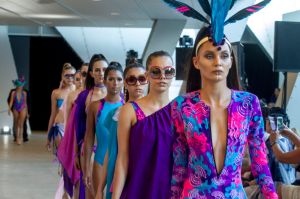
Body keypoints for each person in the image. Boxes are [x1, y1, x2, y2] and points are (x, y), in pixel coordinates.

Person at [162, 1, 277, 198]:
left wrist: (272, 196)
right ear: (196, 62)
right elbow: (179, 166)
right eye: (209, 55)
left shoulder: (248, 104)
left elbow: (260, 161)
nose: (218, 62)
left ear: (231, 61)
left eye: (224, 55)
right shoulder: (182, 106)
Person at [113, 51, 175, 199]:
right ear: (147, 76)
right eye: (155, 71)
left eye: (168, 71)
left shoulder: (179, 111)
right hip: (138, 188)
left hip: (170, 191)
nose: (162, 76)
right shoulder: (130, 110)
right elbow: (122, 158)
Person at [96, 62, 148, 199]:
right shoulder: (115, 114)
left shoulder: (155, 116)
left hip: (142, 175)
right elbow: (111, 151)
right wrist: (99, 189)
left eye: (142, 79)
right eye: (132, 79)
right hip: (116, 175)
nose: (137, 83)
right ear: (125, 83)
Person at [84, 62, 124, 198]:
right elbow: (89, 138)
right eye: (111, 79)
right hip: (100, 160)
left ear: (123, 81)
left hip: (121, 162)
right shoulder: (95, 107)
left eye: (119, 79)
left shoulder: (128, 107)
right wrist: (86, 168)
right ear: (105, 81)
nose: (115, 83)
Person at [74, 54, 108, 199]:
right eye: (97, 70)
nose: (101, 73)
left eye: (104, 69)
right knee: (91, 191)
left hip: (111, 150)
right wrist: (76, 153)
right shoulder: (84, 96)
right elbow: (78, 126)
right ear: (91, 73)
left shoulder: (118, 95)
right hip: (90, 150)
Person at [57, 69, 85, 198]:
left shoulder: (94, 95)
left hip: (87, 139)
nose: (80, 81)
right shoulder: (72, 95)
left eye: (83, 77)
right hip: (72, 136)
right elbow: (68, 121)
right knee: (75, 176)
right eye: (77, 79)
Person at [46, 63, 76, 152]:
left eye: (72, 75)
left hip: (74, 128)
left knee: (73, 160)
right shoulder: (56, 93)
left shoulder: (80, 91)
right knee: (62, 158)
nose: (70, 78)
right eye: (67, 75)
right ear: (62, 76)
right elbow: (53, 114)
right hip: (60, 127)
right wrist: (48, 136)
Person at [8, 76, 28, 145]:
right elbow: (11, 102)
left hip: (23, 108)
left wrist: (27, 112)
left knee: (21, 124)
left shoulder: (24, 93)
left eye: (21, 85)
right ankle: (17, 138)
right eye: (19, 85)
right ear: (17, 85)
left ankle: (21, 137)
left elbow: (25, 103)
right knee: (16, 123)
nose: (20, 87)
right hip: (15, 108)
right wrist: (9, 109)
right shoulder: (13, 93)